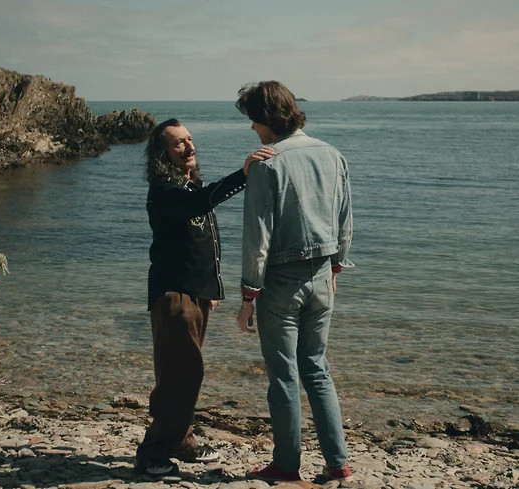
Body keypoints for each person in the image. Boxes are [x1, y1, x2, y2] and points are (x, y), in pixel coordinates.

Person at [136, 118, 273, 478]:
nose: (189, 147)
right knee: (179, 375)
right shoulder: (166, 189)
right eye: (178, 143)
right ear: (163, 154)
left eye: (190, 139)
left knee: (187, 374)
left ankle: (181, 441)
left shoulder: (186, 186)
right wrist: (243, 174)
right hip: (173, 294)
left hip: (194, 293)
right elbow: (199, 204)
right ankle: (151, 452)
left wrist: (211, 290)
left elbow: (202, 244)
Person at [235, 81, 355, 483]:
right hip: (322, 275)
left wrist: (248, 294)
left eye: (254, 119)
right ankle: (338, 464)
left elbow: (257, 238)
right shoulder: (332, 154)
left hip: (281, 282)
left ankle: (287, 466)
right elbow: (345, 221)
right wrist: (335, 269)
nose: (252, 127)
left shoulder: (267, 164)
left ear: (268, 118)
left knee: (284, 376)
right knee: (317, 369)